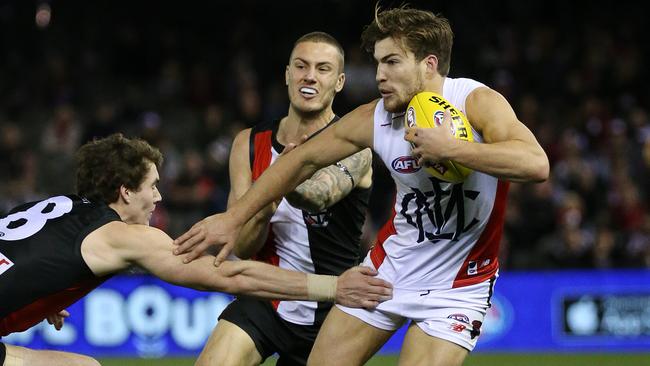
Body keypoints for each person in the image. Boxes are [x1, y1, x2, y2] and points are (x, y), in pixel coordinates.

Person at [174, 6, 550, 366]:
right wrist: (233, 218)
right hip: (388, 271)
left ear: (428, 64)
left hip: (458, 287)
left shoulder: (474, 101)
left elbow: (536, 163)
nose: (378, 76)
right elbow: (300, 160)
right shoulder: (377, 117)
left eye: (391, 62)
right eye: (377, 63)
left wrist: (452, 148)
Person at [0, 133, 391, 366]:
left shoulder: (57, 206)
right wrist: (334, 288)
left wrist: (41, 295)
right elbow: (231, 273)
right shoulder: (122, 236)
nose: (158, 197)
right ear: (124, 192)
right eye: (151, 186)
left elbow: (23, 255)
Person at [195, 32, 374, 366]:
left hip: (333, 308)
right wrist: (263, 210)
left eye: (323, 69)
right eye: (301, 66)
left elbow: (320, 195)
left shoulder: (355, 145)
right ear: (287, 74)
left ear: (339, 82)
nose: (310, 75)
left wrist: (281, 179)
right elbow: (244, 246)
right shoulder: (248, 143)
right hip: (267, 297)